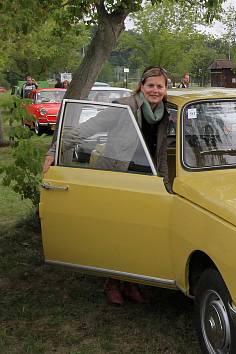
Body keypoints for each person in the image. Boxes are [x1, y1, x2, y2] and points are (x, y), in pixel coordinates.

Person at [42, 66, 172, 305]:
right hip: (118, 175)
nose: (155, 90)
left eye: (160, 86)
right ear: (141, 86)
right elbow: (88, 127)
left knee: (140, 231)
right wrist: (55, 149)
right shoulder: (124, 106)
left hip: (148, 179)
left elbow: (163, 150)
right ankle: (113, 282)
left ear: (165, 89)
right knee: (119, 232)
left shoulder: (165, 112)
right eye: (150, 85)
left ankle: (131, 282)